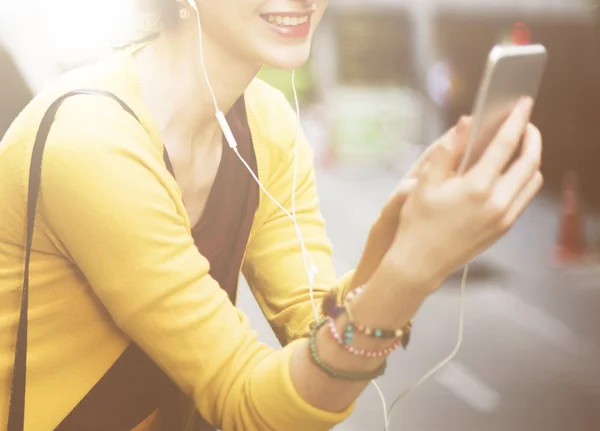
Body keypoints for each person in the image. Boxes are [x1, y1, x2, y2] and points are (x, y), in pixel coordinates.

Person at [0, 0, 543, 430]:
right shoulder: (90, 140)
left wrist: (402, 232)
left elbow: (317, 333)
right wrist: (413, 270)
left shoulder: (267, 122)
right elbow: (252, 405)